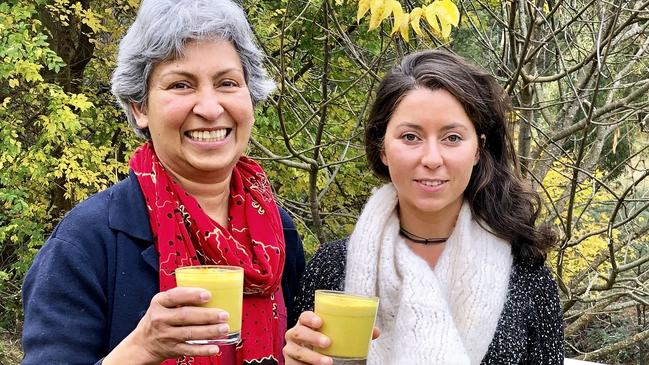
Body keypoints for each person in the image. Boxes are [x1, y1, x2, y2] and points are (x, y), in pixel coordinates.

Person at [21, 0, 306, 364]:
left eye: (228, 83)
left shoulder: (276, 232)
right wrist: (141, 348)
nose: (209, 107)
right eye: (181, 84)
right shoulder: (87, 241)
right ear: (140, 107)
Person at [283, 50, 564, 365]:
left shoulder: (526, 275)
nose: (431, 159)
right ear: (383, 148)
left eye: (452, 137)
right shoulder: (332, 266)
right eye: (410, 136)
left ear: (478, 149)